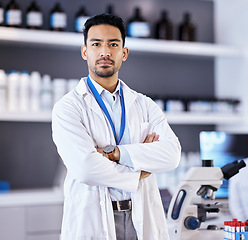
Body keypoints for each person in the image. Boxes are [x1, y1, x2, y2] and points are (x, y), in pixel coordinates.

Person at [52, 13, 181, 240]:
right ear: (85, 52)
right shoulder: (68, 108)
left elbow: (171, 154)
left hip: (141, 216)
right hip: (94, 219)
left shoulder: (144, 104)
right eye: (96, 44)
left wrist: (116, 153)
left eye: (113, 44)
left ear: (124, 53)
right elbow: (85, 168)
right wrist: (140, 170)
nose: (105, 52)